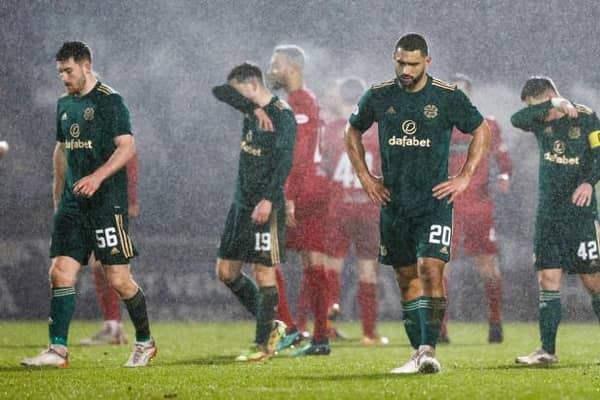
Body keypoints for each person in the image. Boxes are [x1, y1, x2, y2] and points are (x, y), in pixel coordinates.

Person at [344, 33, 490, 374]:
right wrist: (365, 177)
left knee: (431, 268)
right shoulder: (379, 95)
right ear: (394, 59)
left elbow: (481, 130)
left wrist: (465, 175)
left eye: (412, 63)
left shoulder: (447, 96)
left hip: (434, 202)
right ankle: (418, 354)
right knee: (406, 276)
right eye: (400, 62)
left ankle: (429, 348)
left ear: (427, 61)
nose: (405, 69)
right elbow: (352, 132)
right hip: (394, 204)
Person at [21, 41, 156, 368]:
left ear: (86, 65)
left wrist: (97, 177)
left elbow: (127, 148)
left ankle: (144, 341)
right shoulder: (65, 104)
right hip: (72, 204)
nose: (64, 78)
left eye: (68, 70)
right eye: (60, 72)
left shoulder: (111, 101)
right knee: (60, 272)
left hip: (106, 203)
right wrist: (58, 197)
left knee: (118, 279)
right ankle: (57, 350)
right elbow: (62, 150)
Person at [511, 76, 600, 365]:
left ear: (551, 94)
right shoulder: (539, 118)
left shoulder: (587, 118)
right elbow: (516, 118)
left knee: (593, 282)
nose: (542, 112)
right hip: (548, 214)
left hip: (579, 215)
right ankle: (547, 351)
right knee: (548, 280)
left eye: (543, 104)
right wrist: (551, 105)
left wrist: (588, 182)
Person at [212, 62, 296, 362]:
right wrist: (253, 109)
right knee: (226, 272)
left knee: (263, 271)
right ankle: (272, 325)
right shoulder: (251, 111)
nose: (238, 101)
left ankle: (262, 345)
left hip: (265, 205)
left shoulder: (284, 116)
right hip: (240, 204)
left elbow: (284, 164)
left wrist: (269, 200)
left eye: (241, 94)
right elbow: (218, 91)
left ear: (251, 85)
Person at [267, 44, 333, 356]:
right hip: (313, 187)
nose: (272, 70)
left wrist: (289, 195)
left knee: (265, 256)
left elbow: (300, 152)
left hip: (303, 189)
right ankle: (317, 337)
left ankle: (291, 329)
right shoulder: (305, 100)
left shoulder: (299, 102)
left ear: (293, 67)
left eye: (276, 64)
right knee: (312, 263)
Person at [441, 73, 513, 344]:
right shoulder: (437, 126)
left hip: (480, 207)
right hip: (447, 207)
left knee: (487, 265)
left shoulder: (488, 125)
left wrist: (506, 176)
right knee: (441, 265)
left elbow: (505, 162)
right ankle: (441, 329)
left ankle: (495, 322)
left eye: (462, 90)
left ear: (470, 94)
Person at [320, 77, 388, 345]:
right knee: (368, 270)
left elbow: (323, 165)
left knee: (331, 268)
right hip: (368, 208)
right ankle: (369, 334)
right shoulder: (377, 131)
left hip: (338, 209)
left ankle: (326, 326)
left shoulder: (334, 128)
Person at [80, 155, 139, 346]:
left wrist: (130, 198)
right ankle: (113, 326)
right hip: (99, 199)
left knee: (108, 265)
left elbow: (129, 155)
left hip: (111, 201)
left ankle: (119, 329)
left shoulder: (112, 129)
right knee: (101, 265)